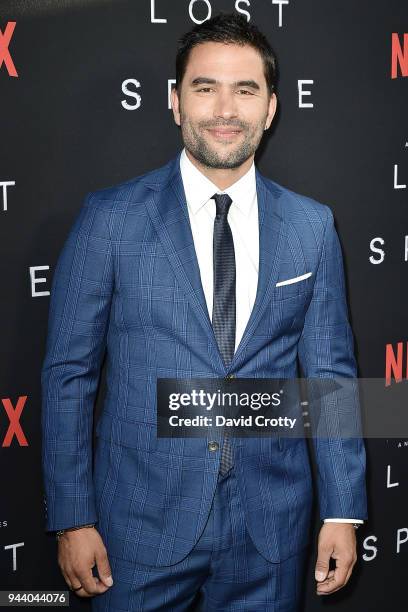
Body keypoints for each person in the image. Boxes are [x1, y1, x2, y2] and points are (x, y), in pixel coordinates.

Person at [41, 12, 367, 611]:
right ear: (174, 102)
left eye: (245, 90)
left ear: (270, 108)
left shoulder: (311, 226)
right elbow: (69, 376)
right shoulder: (110, 220)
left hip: (271, 529)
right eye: (205, 87)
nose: (225, 109)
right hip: (133, 528)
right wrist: (71, 516)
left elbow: (330, 381)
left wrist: (343, 510)